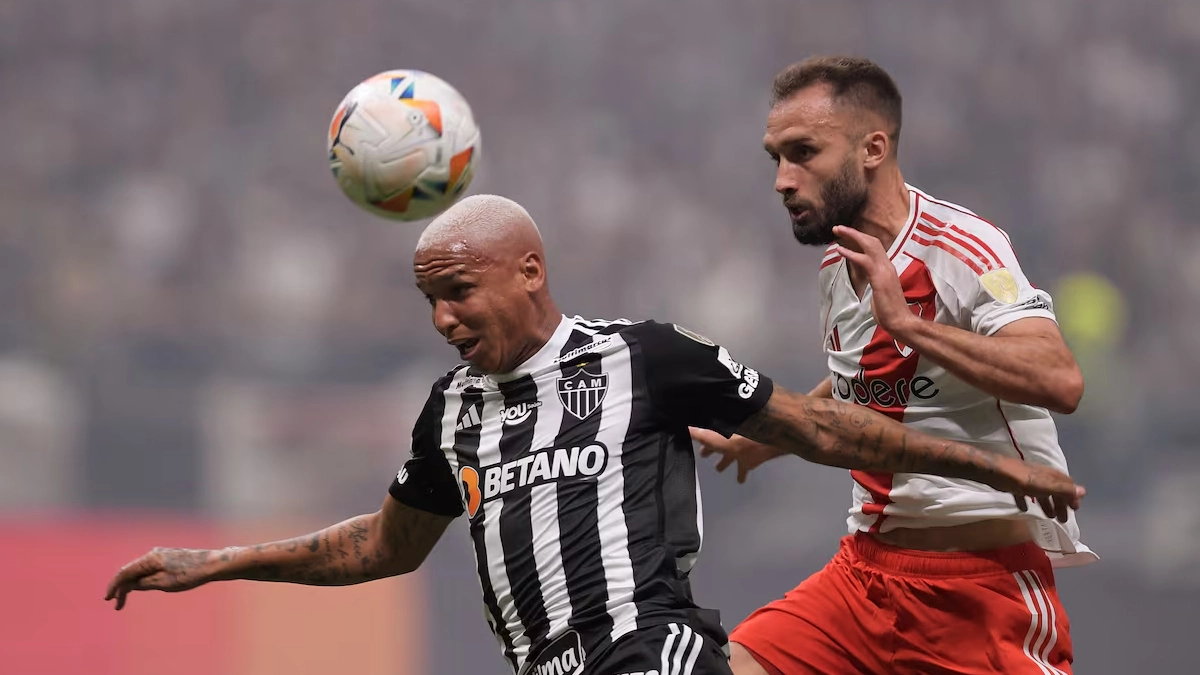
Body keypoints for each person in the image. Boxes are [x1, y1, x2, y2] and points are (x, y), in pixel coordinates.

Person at [106, 195, 1084, 675]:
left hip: (653, 658)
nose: (443, 320)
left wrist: (991, 465)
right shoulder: (450, 411)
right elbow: (379, 547)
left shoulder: (647, 358)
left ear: (528, 272)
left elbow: (829, 430)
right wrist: (220, 561)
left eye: (459, 293)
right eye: (428, 302)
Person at [692, 56, 1097, 675]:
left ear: (873, 148)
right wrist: (765, 442)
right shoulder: (837, 265)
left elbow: (1060, 379)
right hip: (862, 579)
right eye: (775, 157)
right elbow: (867, 379)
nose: (782, 179)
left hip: (979, 593)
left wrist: (910, 325)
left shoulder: (963, 246)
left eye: (803, 152)